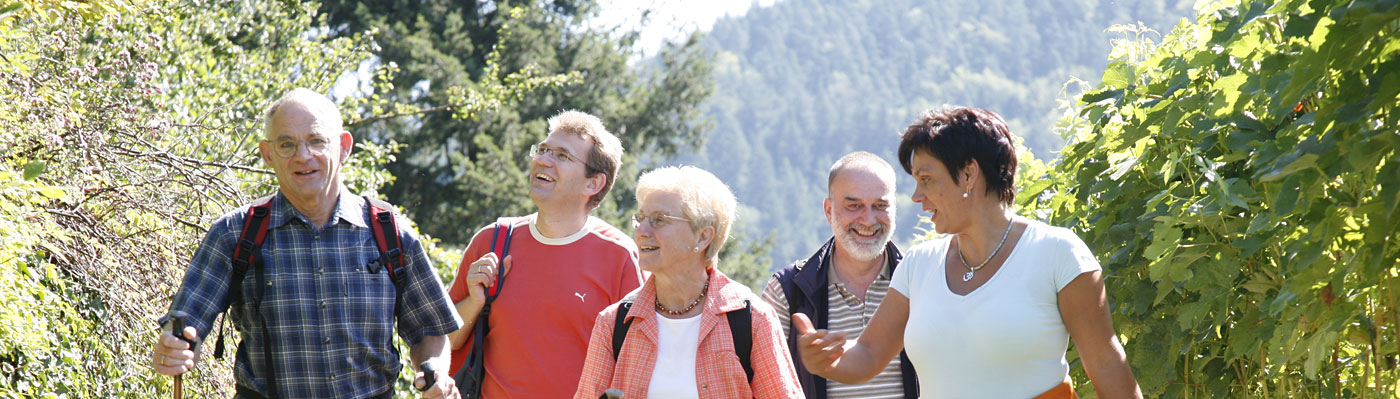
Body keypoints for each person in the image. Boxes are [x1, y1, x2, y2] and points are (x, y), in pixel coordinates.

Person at [794, 106, 1142, 398]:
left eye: (926, 179)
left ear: (968, 174)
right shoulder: (918, 265)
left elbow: (1107, 366)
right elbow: (868, 354)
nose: (917, 196)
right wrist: (826, 361)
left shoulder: (1057, 253)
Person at [150, 88, 462, 398]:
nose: (303, 156)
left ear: (343, 146)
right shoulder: (235, 234)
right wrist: (175, 348)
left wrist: (435, 371)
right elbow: (185, 325)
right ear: (268, 154)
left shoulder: (390, 232)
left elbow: (430, 330)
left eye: (316, 141)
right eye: (287, 144)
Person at [447, 110, 643, 398]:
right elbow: (444, 341)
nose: (542, 160)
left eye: (562, 156)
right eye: (542, 150)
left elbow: (637, 363)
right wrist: (474, 301)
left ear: (593, 183)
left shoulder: (619, 257)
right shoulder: (493, 241)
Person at [574, 165, 803, 399]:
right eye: (640, 218)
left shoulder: (753, 320)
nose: (641, 230)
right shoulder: (614, 323)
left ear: (703, 236)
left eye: (659, 220)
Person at [760, 152, 918, 399]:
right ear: (828, 210)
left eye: (880, 205)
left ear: (894, 209)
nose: (868, 219)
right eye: (853, 206)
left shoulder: (919, 281)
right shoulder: (787, 291)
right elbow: (764, 386)